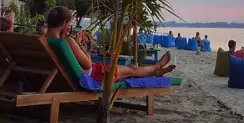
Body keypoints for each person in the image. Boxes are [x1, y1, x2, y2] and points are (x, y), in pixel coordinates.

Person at [45, 6, 175, 82]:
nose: (70, 27)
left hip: (59, 78)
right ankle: (156, 67)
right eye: (70, 24)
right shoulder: (67, 42)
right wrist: (80, 45)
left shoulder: (44, 40)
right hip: (96, 75)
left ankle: (155, 72)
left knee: (130, 70)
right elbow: (88, 63)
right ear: (64, 24)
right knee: (131, 69)